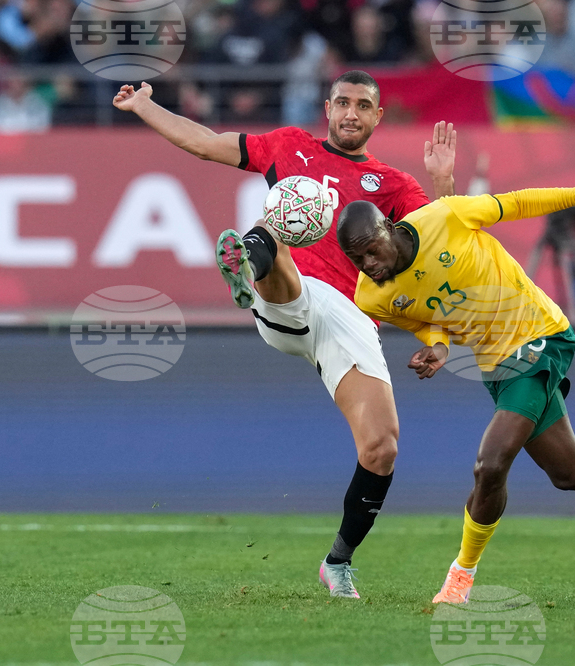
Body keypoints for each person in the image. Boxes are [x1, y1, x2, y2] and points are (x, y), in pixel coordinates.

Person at [112, 70, 457, 599]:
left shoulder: (394, 187)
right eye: (342, 102)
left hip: (352, 318)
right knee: (280, 219)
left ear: (377, 117)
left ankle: (337, 562)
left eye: (363, 106)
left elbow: (441, 255)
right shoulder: (290, 146)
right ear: (327, 107)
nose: (351, 113)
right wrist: (143, 107)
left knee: (382, 448)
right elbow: (206, 144)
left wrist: (443, 186)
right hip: (292, 296)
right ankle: (247, 262)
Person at [337, 163, 575, 605]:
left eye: (372, 250)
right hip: (497, 366)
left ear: (389, 229)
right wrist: (439, 348)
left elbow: (517, 203)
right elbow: (427, 321)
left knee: (490, 463)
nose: (369, 265)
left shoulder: (443, 217)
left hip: (539, 335)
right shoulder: (372, 295)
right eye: (359, 260)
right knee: (571, 472)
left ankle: (459, 579)